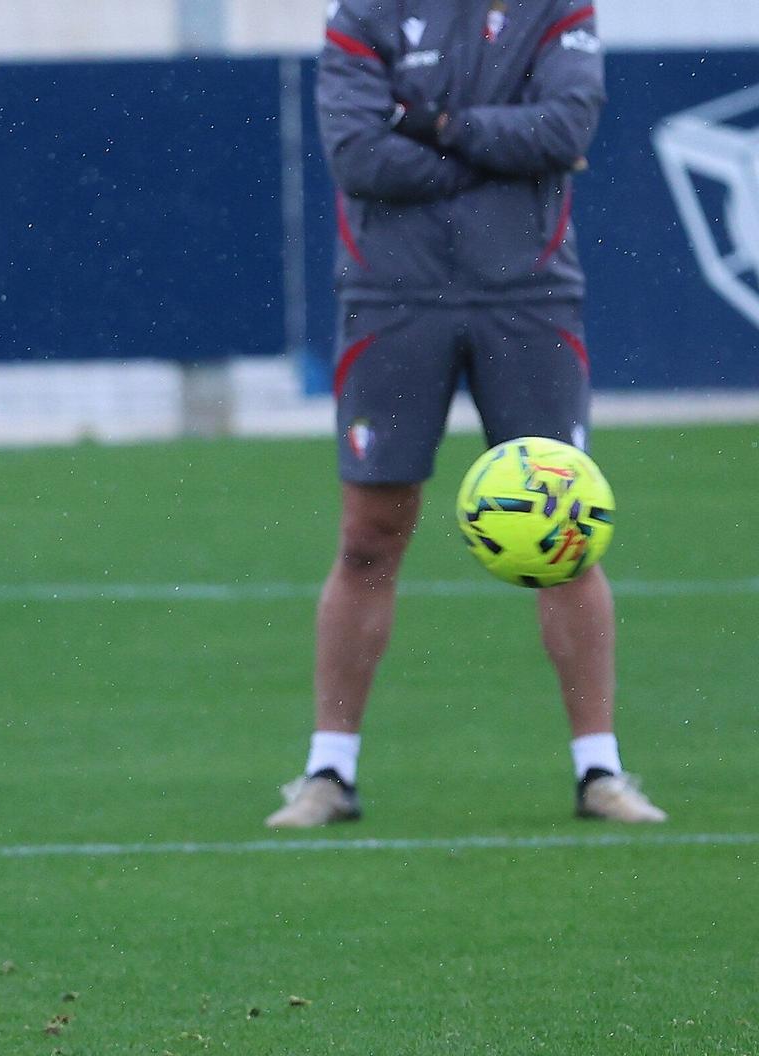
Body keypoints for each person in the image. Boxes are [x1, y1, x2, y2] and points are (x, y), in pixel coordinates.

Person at [269, 0, 664, 828]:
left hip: (529, 294)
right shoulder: (364, 14)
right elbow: (358, 155)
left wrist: (437, 125)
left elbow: (565, 127)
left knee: (565, 530)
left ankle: (600, 770)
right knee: (368, 535)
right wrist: (489, 151)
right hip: (391, 296)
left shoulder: (557, 7)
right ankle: (327, 773)